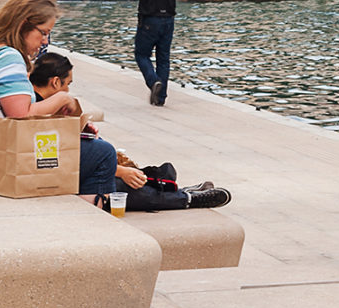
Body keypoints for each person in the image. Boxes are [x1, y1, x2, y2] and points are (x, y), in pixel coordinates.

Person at [0, 0, 117, 199]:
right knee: (103, 152)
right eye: (43, 33)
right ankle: (94, 216)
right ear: (23, 25)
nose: (45, 41)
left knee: (87, 145)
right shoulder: (9, 57)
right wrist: (63, 99)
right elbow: (21, 116)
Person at [27, 52, 231, 208]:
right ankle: (186, 198)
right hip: (60, 176)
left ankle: (177, 190)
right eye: (67, 84)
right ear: (55, 82)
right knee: (122, 187)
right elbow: (64, 156)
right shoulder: (40, 106)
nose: (68, 91)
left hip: (66, 171)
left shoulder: (36, 101)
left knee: (126, 178)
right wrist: (121, 171)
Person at [127, 0, 187, 106]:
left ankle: (153, 82)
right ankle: (160, 98)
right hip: (168, 19)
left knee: (141, 54)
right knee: (163, 58)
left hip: (148, 19)